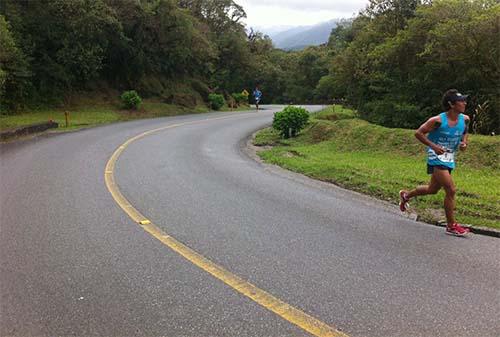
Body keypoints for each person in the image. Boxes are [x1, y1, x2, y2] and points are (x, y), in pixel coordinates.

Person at [399, 89, 470, 237]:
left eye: (464, 100)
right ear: (451, 104)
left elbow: (464, 131)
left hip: (449, 157)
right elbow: (418, 133)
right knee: (451, 190)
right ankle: (451, 226)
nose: (464, 103)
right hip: (436, 156)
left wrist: (464, 142)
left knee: (432, 189)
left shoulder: (465, 119)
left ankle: (406, 195)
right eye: (461, 101)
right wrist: (434, 147)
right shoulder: (437, 121)